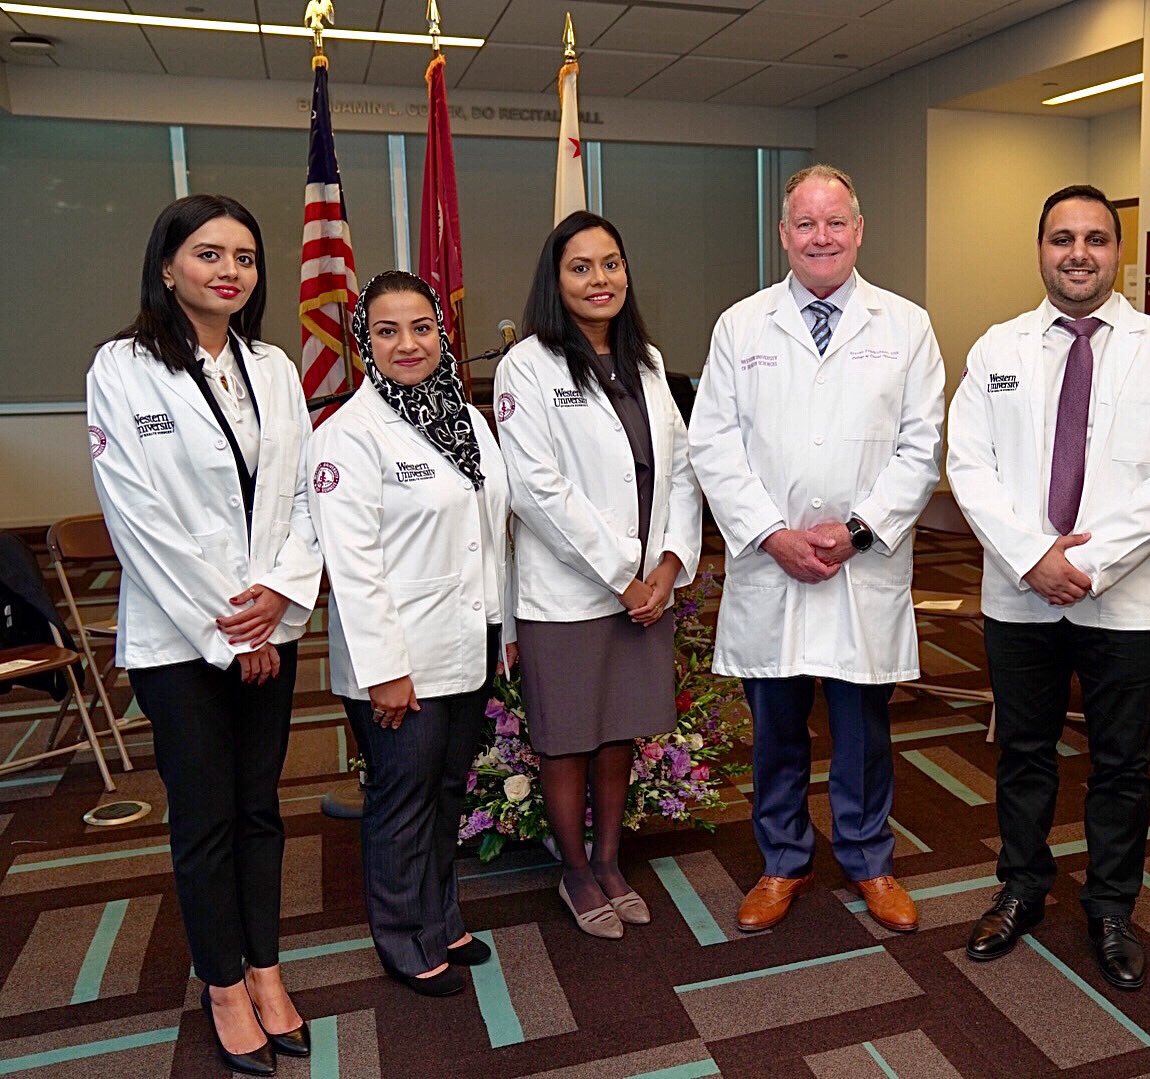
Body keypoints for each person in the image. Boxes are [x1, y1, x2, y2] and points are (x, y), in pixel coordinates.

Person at [946, 185, 1150, 986]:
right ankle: (1023, 887)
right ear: (1039, 249)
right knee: (1024, 752)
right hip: (1021, 592)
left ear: (1118, 253)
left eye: (1097, 239)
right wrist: (1034, 555)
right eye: (1063, 238)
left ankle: (1110, 905)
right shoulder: (997, 349)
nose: (1079, 253)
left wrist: (1091, 561)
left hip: (1125, 601)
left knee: (1122, 762)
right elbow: (969, 465)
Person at [86, 194, 323, 1076]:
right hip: (183, 639)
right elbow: (138, 518)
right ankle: (221, 983)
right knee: (205, 817)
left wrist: (279, 598)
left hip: (269, 622)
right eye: (209, 254)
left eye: (246, 258)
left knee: (262, 808)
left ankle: (266, 968)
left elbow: (302, 499)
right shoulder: (123, 368)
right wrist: (235, 624)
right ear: (167, 266)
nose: (230, 271)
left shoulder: (274, 367)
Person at [687, 164, 944, 934]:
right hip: (773, 563)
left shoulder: (906, 325)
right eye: (806, 223)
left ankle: (869, 857)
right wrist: (772, 534)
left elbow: (921, 444)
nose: (821, 236)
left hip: (860, 564)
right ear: (784, 234)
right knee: (776, 725)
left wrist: (858, 529)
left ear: (859, 231)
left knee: (864, 725)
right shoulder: (741, 326)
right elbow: (713, 443)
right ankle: (783, 859)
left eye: (835, 223)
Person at [495, 211, 703, 939]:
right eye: (581, 267)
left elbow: (680, 471)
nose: (599, 279)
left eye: (610, 263)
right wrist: (625, 575)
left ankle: (612, 860)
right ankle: (577, 872)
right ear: (556, 280)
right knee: (568, 738)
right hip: (571, 594)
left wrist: (668, 567)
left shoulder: (646, 358)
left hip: (647, 589)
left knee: (620, 733)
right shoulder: (528, 365)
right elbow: (537, 489)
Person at [307, 271, 510, 996]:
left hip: (469, 641)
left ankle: (441, 914)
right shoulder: (348, 435)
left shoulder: (464, 415)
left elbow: (492, 535)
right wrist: (384, 670)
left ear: (440, 333)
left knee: (448, 789)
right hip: (400, 661)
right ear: (365, 342)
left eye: (421, 327)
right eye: (386, 331)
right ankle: (401, 936)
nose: (407, 343)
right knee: (403, 797)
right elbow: (352, 568)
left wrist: (504, 628)